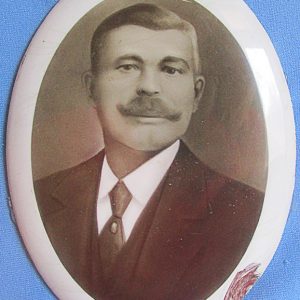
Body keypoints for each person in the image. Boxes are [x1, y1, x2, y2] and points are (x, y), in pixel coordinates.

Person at [34, 3, 264, 300]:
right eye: (127, 66)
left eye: (171, 69)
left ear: (196, 92)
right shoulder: (44, 196)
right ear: (92, 88)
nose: (149, 87)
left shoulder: (243, 215)